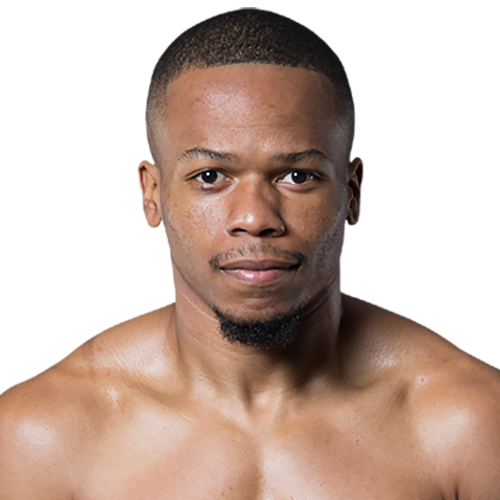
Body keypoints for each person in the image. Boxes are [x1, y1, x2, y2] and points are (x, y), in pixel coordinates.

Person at [1, 7, 499, 499]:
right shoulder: (43, 435)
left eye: (297, 176)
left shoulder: (469, 423)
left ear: (353, 192)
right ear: (151, 194)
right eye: (210, 176)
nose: (256, 217)